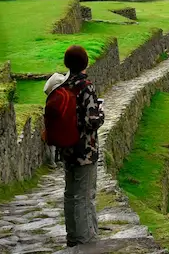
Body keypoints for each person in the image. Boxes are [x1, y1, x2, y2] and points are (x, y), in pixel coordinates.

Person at [44, 45, 105, 247]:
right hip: (85, 150)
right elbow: (91, 120)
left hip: (67, 147)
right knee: (85, 194)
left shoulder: (63, 85)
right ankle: (85, 240)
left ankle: (73, 236)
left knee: (70, 194)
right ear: (85, 63)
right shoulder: (85, 86)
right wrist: (101, 112)